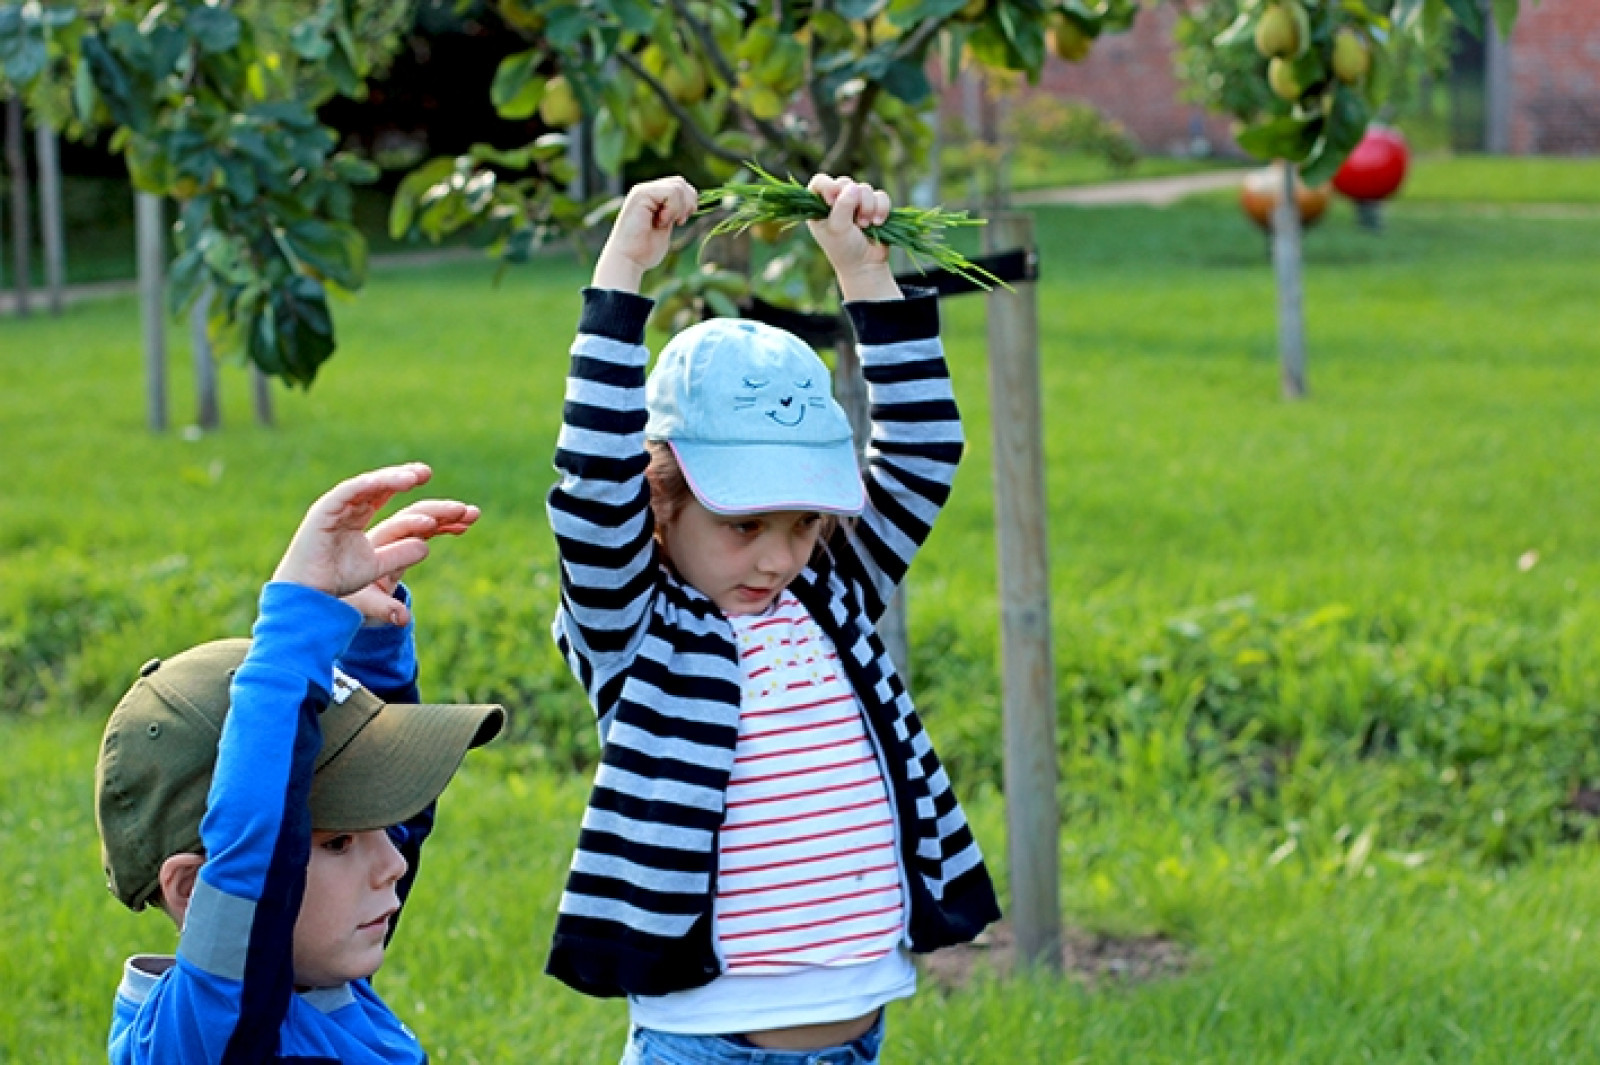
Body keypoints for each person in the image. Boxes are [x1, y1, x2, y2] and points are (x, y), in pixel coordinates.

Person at [546, 174, 1002, 1063]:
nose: (777, 556)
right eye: (743, 522)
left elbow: (923, 448)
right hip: (708, 1044)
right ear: (661, 502)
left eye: (803, 522)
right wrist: (622, 277)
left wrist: (864, 275)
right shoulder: (636, 629)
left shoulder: (828, 593)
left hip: (857, 1031)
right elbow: (589, 492)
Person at [94, 462, 506, 1063]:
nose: (392, 862)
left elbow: (391, 810)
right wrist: (296, 617)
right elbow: (258, 855)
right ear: (194, 891)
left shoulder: (318, 978)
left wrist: (367, 640)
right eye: (338, 842)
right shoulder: (209, 1040)